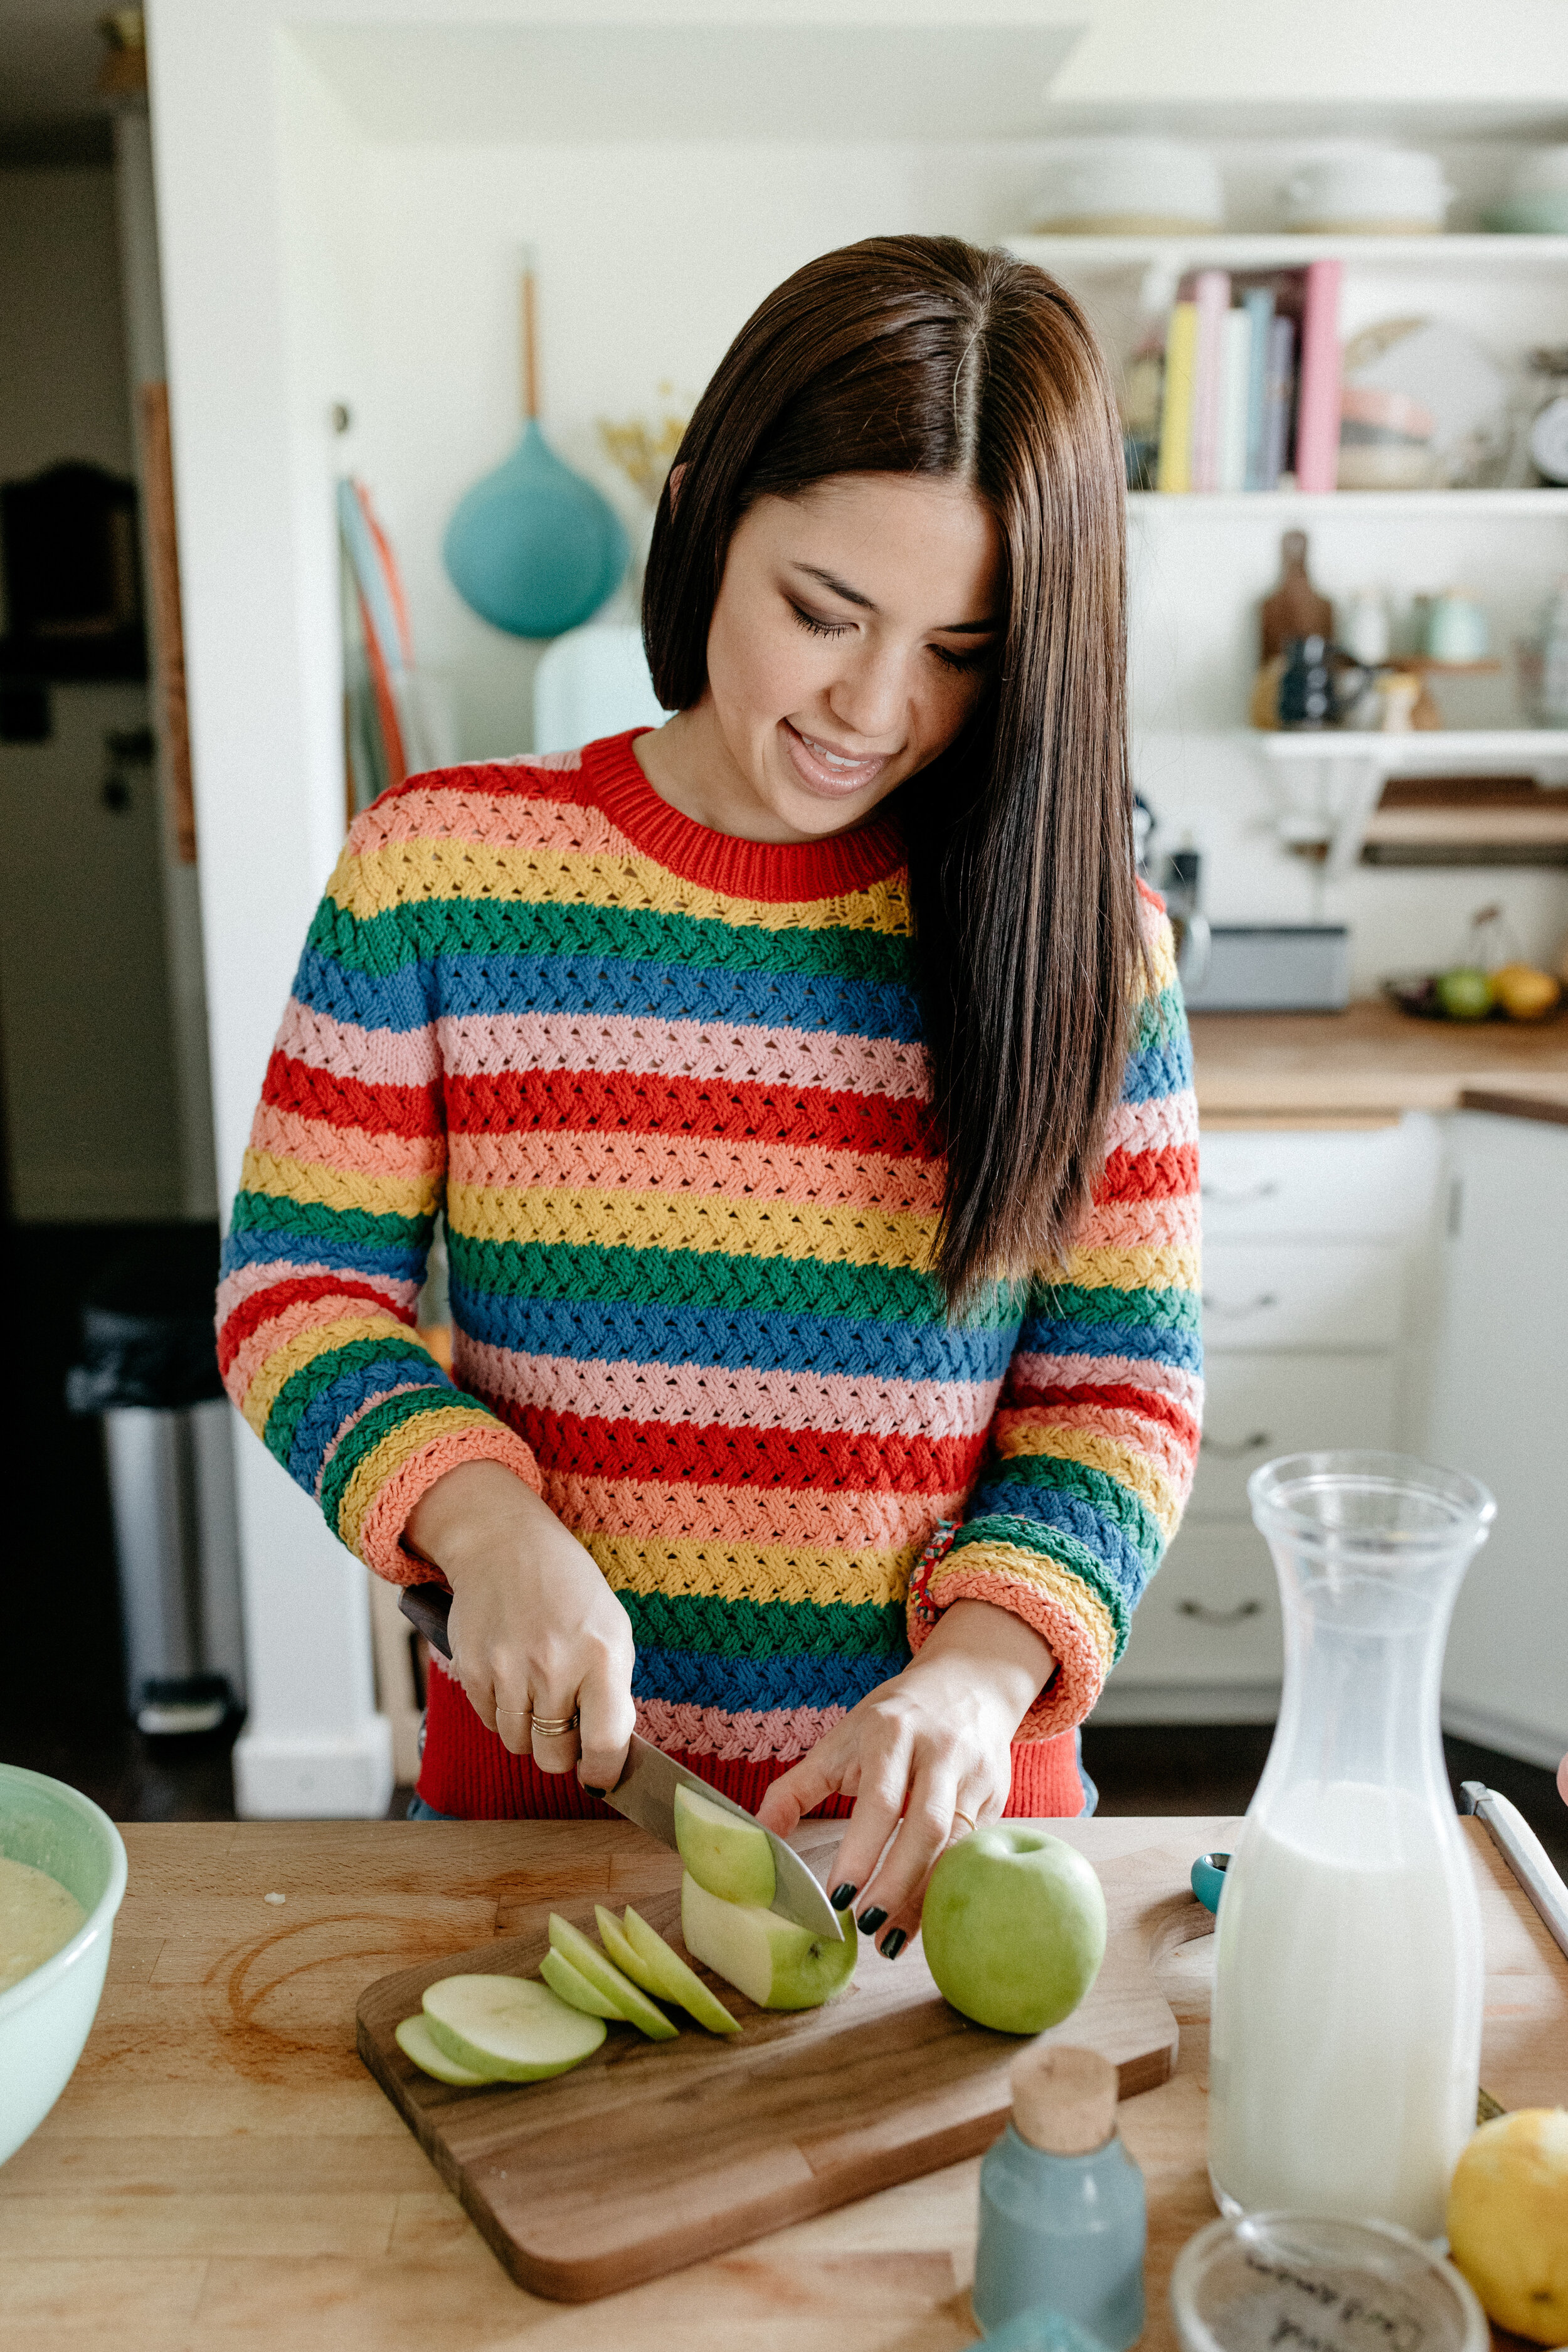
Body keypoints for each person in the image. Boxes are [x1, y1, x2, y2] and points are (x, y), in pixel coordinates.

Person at [217, 235, 1200, 1958]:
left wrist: (978, 1680)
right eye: (821, 611)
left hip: (943, 1856)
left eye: (959, 648)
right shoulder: (436, 870)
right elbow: (298, 1293)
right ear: (699, 520)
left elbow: (1118, 1394)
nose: (872, 710)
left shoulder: (1086, 946)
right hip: (541, 1827)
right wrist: (482, 1515)